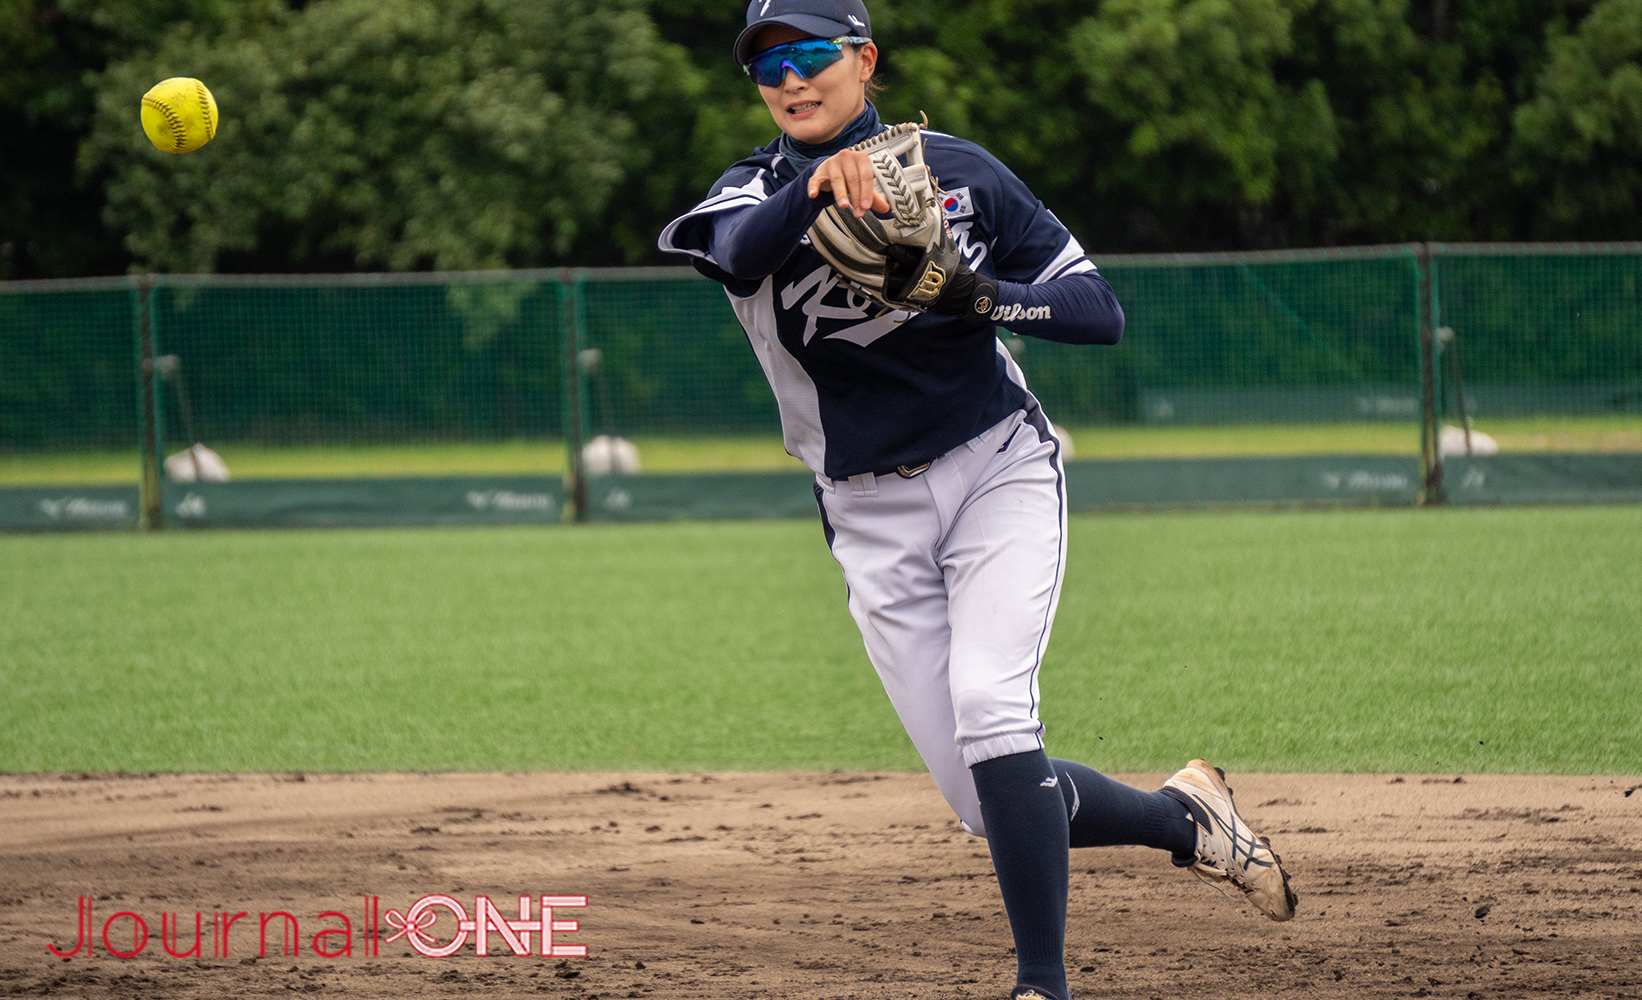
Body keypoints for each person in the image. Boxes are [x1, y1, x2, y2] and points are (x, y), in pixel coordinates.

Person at [658, 3, 1297, 998]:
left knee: (992, 709)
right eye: (766, 64)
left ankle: (1040, 982)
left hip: (995, 466)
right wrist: (821, 187)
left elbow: (1097, 312)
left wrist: (977, 295)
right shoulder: (750, 192)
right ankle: (1188, 820)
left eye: (811, 53)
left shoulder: (959, 173)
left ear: (863, 60)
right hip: (866, 515)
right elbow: (732, 255)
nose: (789, 76)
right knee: (981, 798)